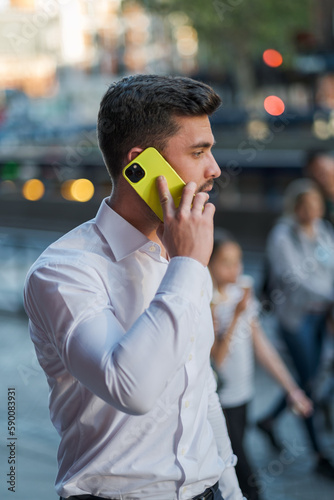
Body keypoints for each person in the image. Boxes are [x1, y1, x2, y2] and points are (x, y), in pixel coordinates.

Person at [23, 75, 244, 500]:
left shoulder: (185, 260)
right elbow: (131, 388)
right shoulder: (63, 272)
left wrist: (231, 490)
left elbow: (201, 388)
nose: (214, 169)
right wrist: (187, 264)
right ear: (140, 164)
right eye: (199, 152)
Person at [209, 231, 313, 500]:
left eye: (239, 261)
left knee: (234, 459)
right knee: (241, 469)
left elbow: (262, 346)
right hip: (220, 401)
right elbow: (215, 362)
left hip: (243, 395)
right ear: (209, 264)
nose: (237, 269)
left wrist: (292, 389)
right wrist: (235, 317)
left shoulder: (240, 293)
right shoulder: (206, 301)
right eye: (227, 262)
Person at [257, 179, 334, 479]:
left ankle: (269, 420)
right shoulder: (282, 234)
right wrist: (329, 295)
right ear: (295, 206)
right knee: (309, 382)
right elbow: (293, 277)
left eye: (316, 204)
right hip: (296, 319)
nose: (311, 210)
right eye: (305, 205)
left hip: (321, 316)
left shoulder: (324, 231)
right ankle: (318, 453)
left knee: (307, 379)